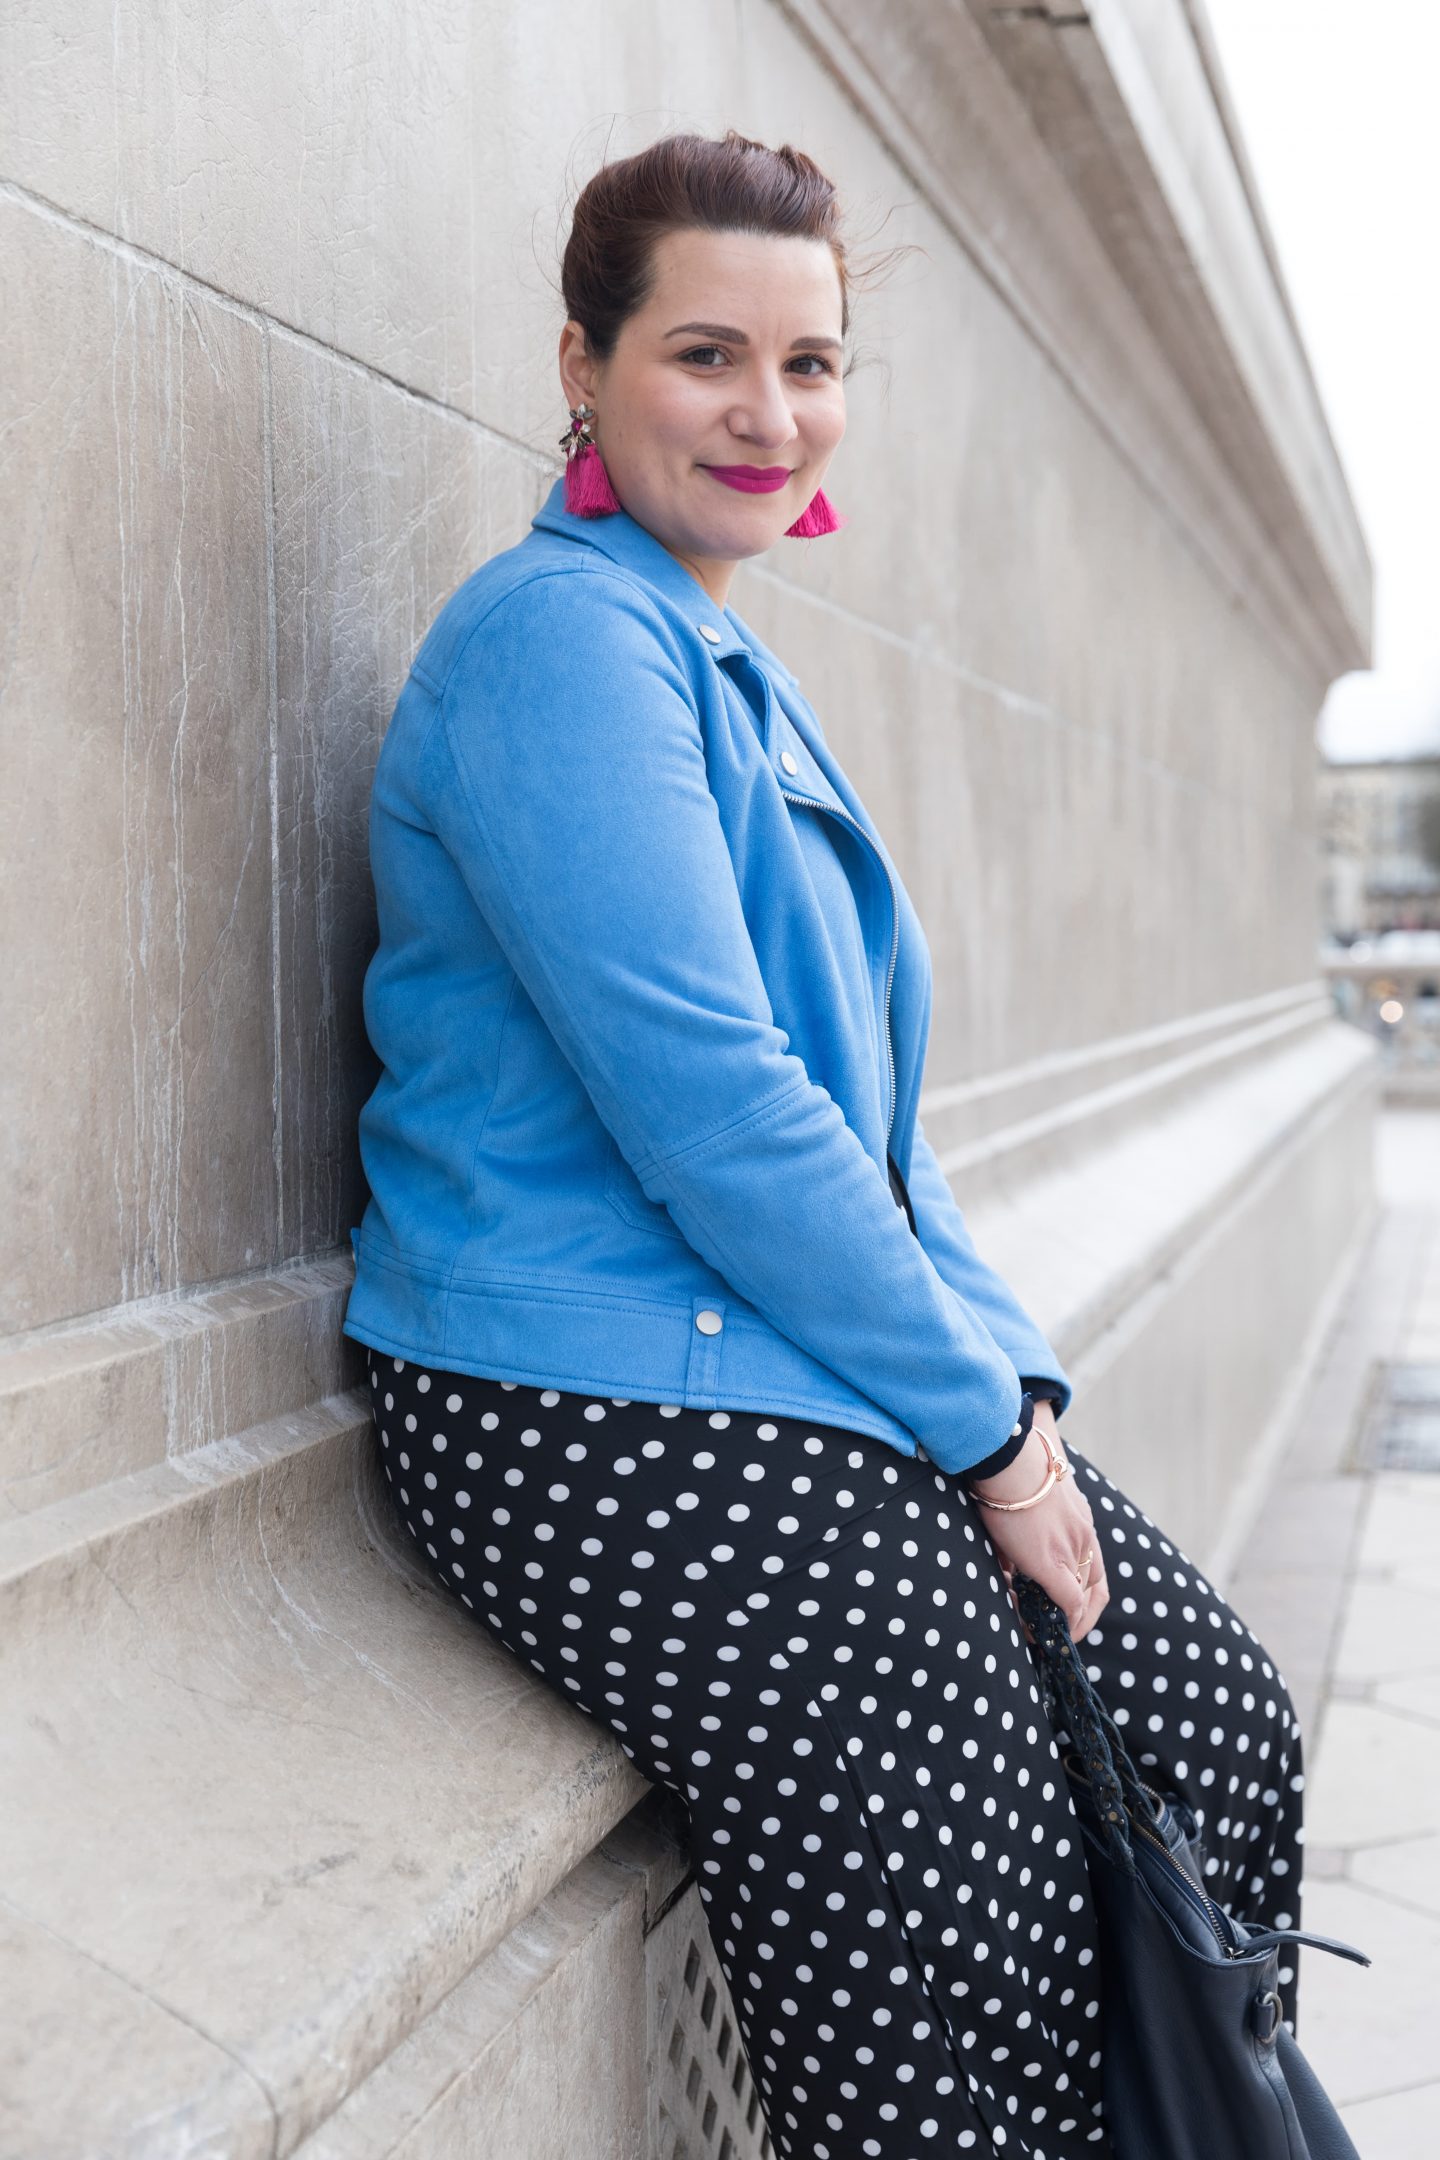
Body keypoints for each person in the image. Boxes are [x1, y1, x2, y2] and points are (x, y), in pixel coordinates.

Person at [344, 128, 1305, 2159]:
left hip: (772, 1350)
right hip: (587, 1388)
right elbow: (720, 1113)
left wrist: (1011, 1400)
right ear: (584, 367)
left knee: (1210, 1719)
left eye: (811, 364)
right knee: (967, 1879)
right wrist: (977, 1443)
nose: (769, 416)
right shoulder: (558, 643)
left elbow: (875, 1133)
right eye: (707, 356)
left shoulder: (728, 666)